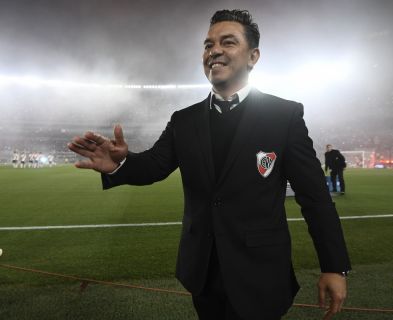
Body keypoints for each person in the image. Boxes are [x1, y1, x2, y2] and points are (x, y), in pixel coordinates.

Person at [68, 10, 350, 320]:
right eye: (208, 45)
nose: (214, 50)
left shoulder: (284, 117)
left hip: (261, 273)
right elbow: (155, 166)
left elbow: (314, 197)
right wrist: (119, 165)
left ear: (253, 56)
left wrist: (333, 265)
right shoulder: (184, 120)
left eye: (228, 42)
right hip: (202, 272)